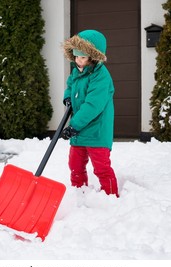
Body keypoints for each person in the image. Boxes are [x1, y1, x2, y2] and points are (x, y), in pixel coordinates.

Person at [61, 29, 119, 198]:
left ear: (93, 57)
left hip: (96, 129)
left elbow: (93, 105)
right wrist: (67, 99)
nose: (78, 60)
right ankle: (79, 193)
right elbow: (71, 85)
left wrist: (74, 126)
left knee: (101, 167)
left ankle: (110, 197)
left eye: (83, 57)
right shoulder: (77, 71)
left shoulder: (101, 76)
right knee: (75, 165)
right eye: (76, 56)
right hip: (80, 128)